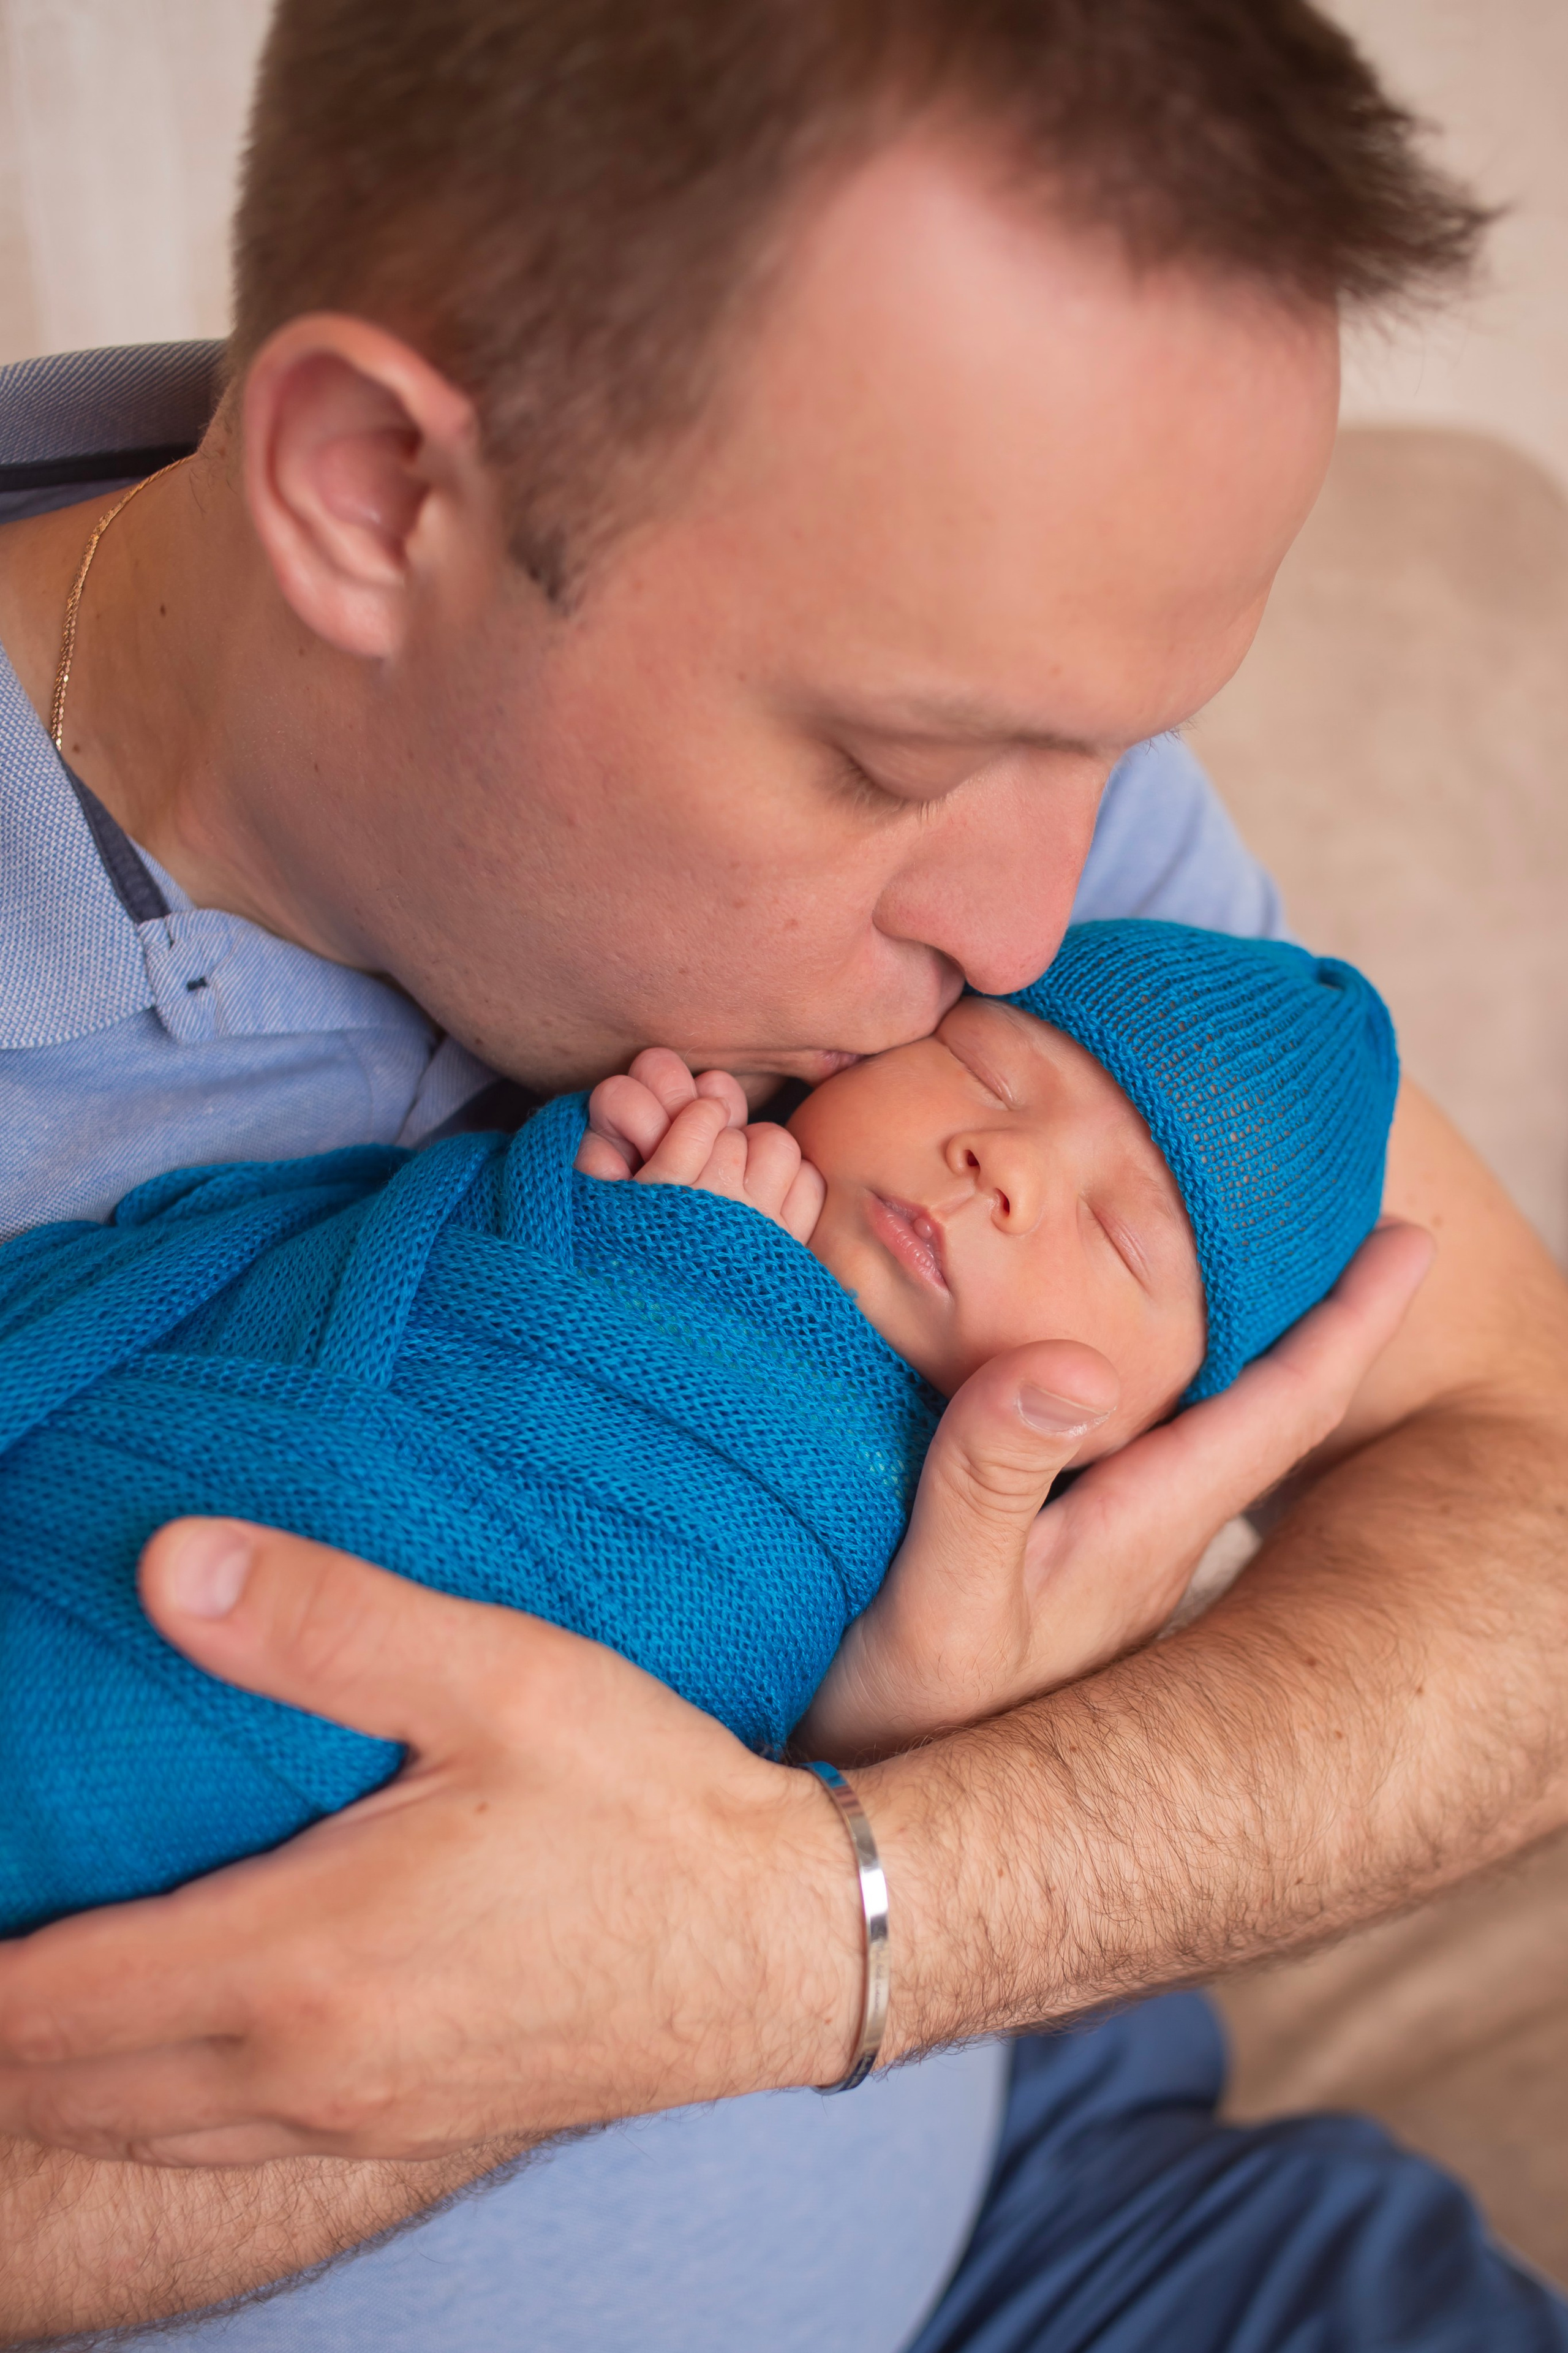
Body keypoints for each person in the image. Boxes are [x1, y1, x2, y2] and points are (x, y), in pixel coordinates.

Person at [2, 1, 1566, 2346]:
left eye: (1122, 749)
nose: (1036, 930)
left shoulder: (1017, 854)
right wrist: (641, 1942)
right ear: (368, 489)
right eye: (888, 759)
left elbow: (1530, 1500)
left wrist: (849, 1904)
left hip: (1070, 2235)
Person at [0, 919, 1399, 1940]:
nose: (1006, 1165)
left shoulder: (894, 1516)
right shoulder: (700, 1151)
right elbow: (428, 1285)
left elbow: (652, 1623)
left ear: (1145, 1440)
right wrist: (618, 1227)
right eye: (984, 1071)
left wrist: (678, 1300)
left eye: (1115, 1235)